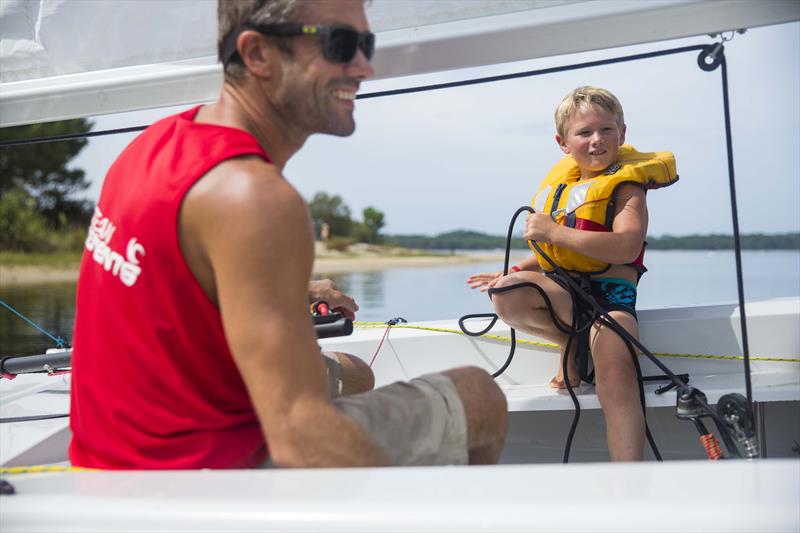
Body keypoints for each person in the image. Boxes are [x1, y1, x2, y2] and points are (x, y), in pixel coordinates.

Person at [69, 0, 507, 469]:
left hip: (108, 460)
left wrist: (297, 291)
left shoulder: (157, 143)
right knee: (478, 395)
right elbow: (304, 443)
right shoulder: (255, 198)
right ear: (257, 53)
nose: (363, 67)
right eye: (341, 45)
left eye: (365, 44)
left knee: (356, 374)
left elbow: (178, 283)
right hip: (197, 483)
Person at [467, 86, 677, 461]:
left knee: (616, 377)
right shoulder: (565, 186)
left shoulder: (627, 187)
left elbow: (626, 245)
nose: (596, 140)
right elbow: (555, 252)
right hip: (564, 292)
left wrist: (554, 231)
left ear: (623, 134)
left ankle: (628, 482)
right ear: (564, 143)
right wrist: (515, 268)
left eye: (606, 130)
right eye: (584, 133)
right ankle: (570, 344)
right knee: (506, 293)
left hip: (611, 298)